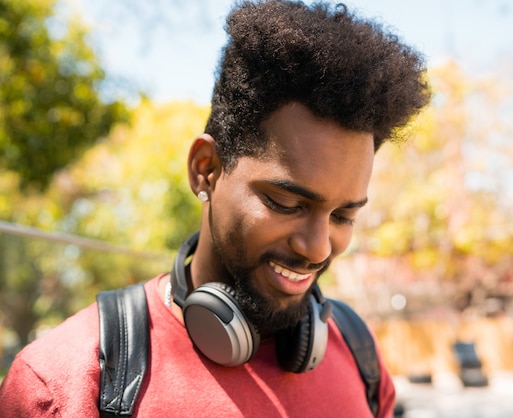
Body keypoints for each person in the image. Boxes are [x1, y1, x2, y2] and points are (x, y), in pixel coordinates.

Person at [0, 0, 430, 416]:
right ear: (206, 170)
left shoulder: (359, 356)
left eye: (343, 216)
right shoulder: (62, 383)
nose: (317, 248)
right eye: (286, 203)